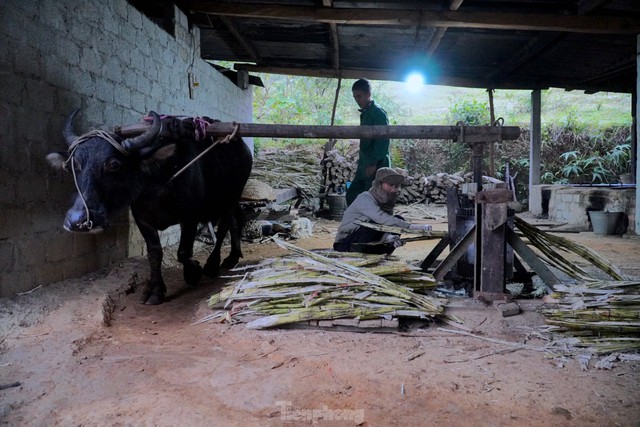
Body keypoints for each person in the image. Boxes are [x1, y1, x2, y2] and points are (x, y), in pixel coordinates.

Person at [334, 168, 432, 255]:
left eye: (395, 186)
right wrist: (411, 227)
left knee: (397, 220)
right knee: (374, 224)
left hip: (368, 243)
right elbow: (380, 219)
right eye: (390, 185)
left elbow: (387, 224)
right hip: (345, 245)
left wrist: (390, 238)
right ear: (378, 184)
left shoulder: (386, 203)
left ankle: (385, 246)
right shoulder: (365, 198)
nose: (393, 189)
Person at [346, 78, 391, 206]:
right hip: (364, 163)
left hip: (377, 162)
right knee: (352, 193)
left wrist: (374, 163)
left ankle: (371, 224)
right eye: (355, 97)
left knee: (374, 197)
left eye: (359, 96)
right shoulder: (365, 113)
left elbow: (383, 141)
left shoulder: (378, 113)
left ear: (368, 94)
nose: (357, 100)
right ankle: (358, 222)